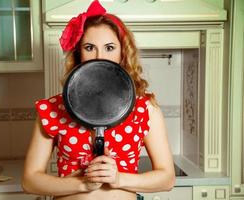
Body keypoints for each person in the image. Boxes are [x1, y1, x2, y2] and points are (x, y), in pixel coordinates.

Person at [22, 1, 175, 200]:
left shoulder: (145, 109)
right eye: (89, 47)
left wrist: (119, 179)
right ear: (78, 53)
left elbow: (167, 178)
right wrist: (82, 184)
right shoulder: (53, 109)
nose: (99, 56)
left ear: (122, 53)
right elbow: (29, 181)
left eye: (109, 47)